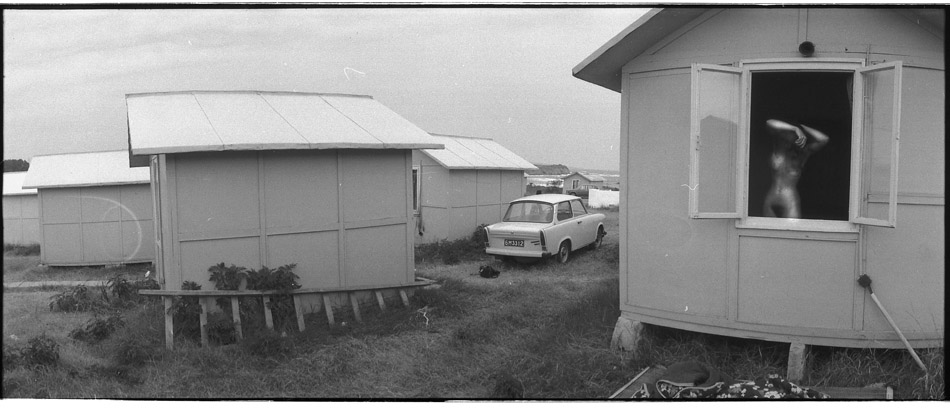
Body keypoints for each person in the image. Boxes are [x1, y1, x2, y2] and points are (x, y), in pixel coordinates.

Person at [762, 119, 829, 218]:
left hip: (789, 199)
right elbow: (769, 122)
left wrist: (803, 128)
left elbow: (823, 139)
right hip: (772, 197)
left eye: (794, 136)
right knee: (766, 228)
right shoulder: (778, 149)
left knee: (792, 228)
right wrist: (794, 128)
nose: (790, 138)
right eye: (788, 135)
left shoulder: (802, 154)